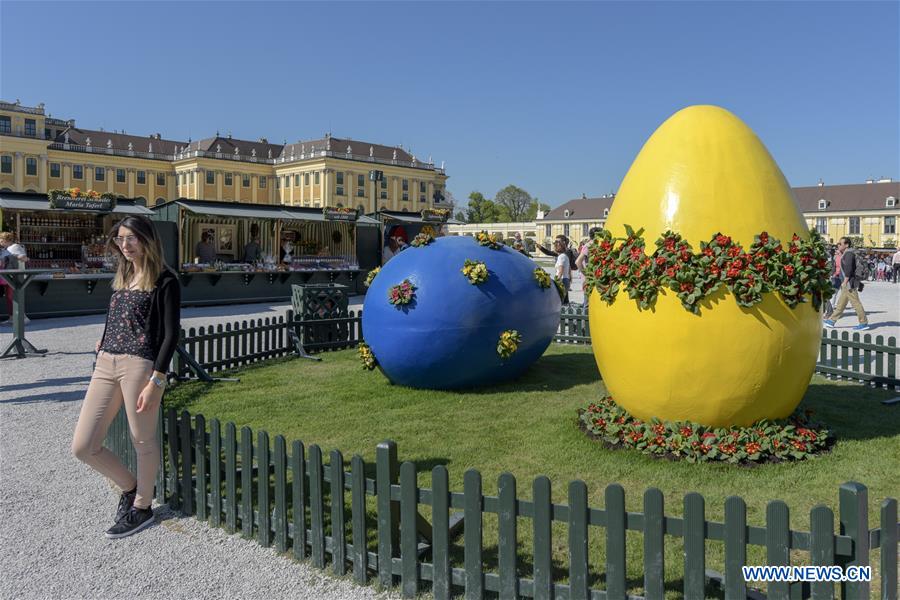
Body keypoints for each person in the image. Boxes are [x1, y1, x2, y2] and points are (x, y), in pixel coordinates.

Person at [71, 215, 181, 539]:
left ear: (147, 239)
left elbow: (170, 335)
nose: (125, 245)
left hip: (139, 365)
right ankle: (130, 487)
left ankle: (143, 506)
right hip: (106, 362)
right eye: (120, 239)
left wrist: (156, 380)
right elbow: (120, 318)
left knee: (142, 439)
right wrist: (105, 340)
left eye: (131, 238)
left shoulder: (165, 279)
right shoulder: (124, 274)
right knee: (83, 446)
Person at [823, 236, 868, 331]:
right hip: (848, 282)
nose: (838, 245)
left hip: (849, 283)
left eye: (840, 243)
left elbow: (849, 269)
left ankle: (863, 322)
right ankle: (832, 320)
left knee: (856, 303)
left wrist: (845, 281)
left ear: (846, 245)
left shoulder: (848, 254)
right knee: (841, 303)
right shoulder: (846, 253)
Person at [0, 231, 29, 325]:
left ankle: (23, 317)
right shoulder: (6, 249)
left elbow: (24, 258)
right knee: (9, 297)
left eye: (1, 239)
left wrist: (18, 256)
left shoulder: (15, 247)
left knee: (14, 297)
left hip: (16, 276)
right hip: (8, 276)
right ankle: (12, 318)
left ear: (5, 240)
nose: (0, 241)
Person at [554, 236, 571, 304]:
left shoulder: (561, 257)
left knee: (559, 302)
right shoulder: (565, 256)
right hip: (566, 279)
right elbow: (569, 269)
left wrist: (556, 281)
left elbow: (560, 271)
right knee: (563, 301)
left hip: (562, 280)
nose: (555, 248)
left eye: (556, 246)